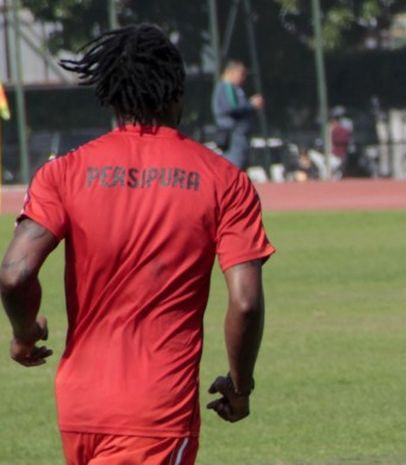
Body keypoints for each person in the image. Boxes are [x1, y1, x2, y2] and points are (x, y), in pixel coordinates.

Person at [0, 24, 275, 465]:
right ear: (177, 95)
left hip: (80, 407)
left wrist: (25, 333)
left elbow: (14, 274)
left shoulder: (63, 173)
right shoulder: (224, 180)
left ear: (109, 95)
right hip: (156, 410)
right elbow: (245, 303)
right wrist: (240, 388)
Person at [211, 60, 264, 170]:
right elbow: (231, 108)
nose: (243, 78)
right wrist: (251, 105)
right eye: (241, 74)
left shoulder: (235, 88)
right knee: (235, 168)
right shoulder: (227, 87)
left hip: (240, 135)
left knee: (241, 169)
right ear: (231, 72)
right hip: (234, 135)